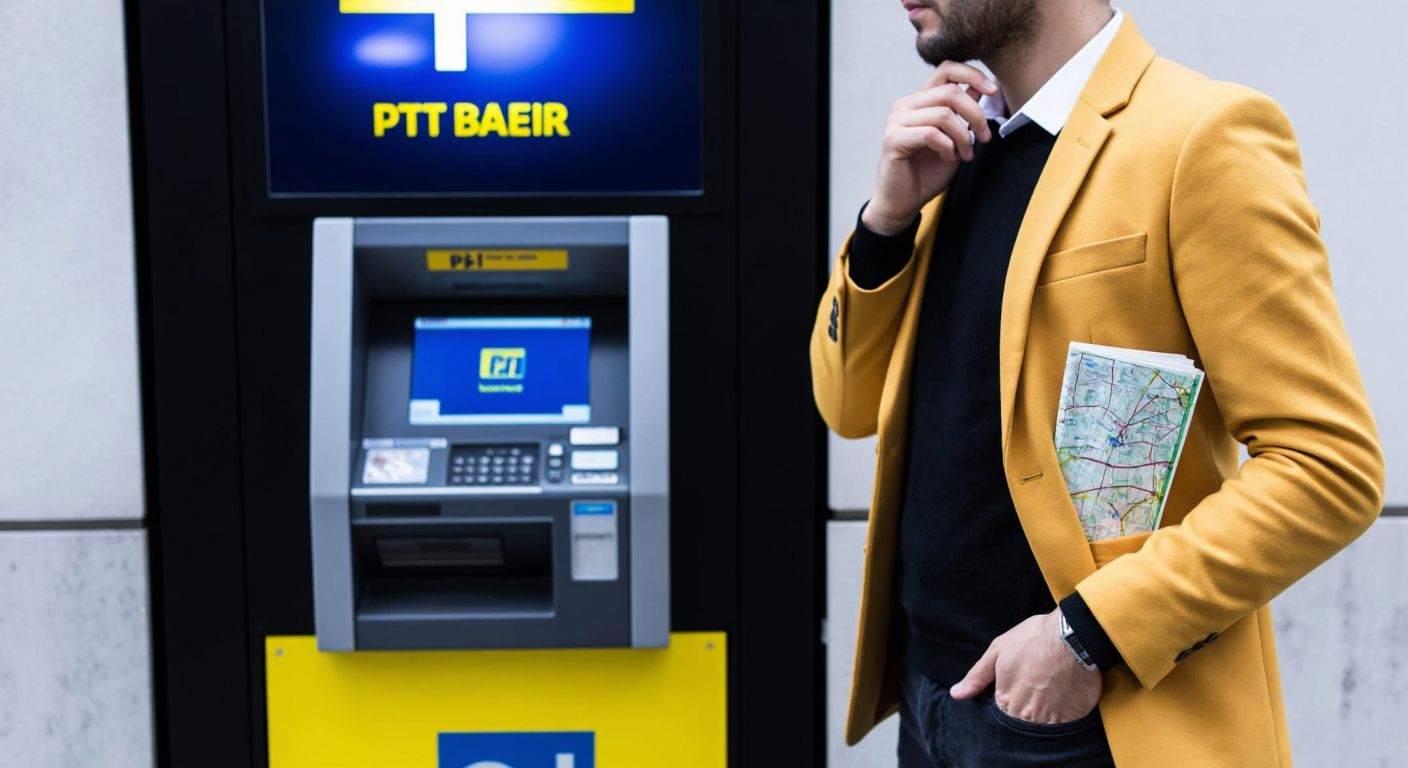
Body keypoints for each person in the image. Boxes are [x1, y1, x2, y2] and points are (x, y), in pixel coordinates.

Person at [810, 1, 1386, 766]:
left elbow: (1328, 469)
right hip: (931, 700)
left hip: (1096, 720)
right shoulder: (951, 152)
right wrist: (885, 225)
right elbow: (846, 407)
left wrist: (1084, 638)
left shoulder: (1201, 135)